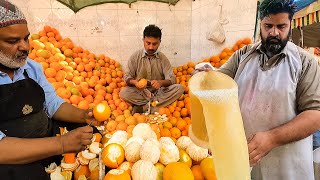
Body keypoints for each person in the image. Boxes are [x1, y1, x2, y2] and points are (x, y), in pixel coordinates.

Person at [196, 0, 320, 179]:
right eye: (268, 26)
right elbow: (219, 84)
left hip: (287, 168)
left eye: (281, 26)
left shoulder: (305, 63)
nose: (274, 33)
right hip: (244, 163)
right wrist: (207, 76)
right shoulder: (242, 55)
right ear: (260, 24)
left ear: (290, 24)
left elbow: (315, 116)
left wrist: (272, 138)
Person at [0, 1, 100, 179]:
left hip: (46, 137)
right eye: (13, 41)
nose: (24, 47)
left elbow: (52, 104)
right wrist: (61, 144)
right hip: (13, 155)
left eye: (26, 38)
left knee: (91, 134)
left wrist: (84, 115)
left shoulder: (31, 68)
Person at [120, 24, 184, 114]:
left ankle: (145, 107)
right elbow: (127, 76)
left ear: (159, 42)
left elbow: (172, 79)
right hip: (141, 92)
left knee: (179, 88)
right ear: (143, 40)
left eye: (154, 44)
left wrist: (161, 83)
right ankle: (155, 105)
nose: (151, 47)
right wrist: (135, 83)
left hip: (159, 92)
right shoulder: (135, 57)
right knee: (124, 93)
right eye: (148, 43)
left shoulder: (163, 58)